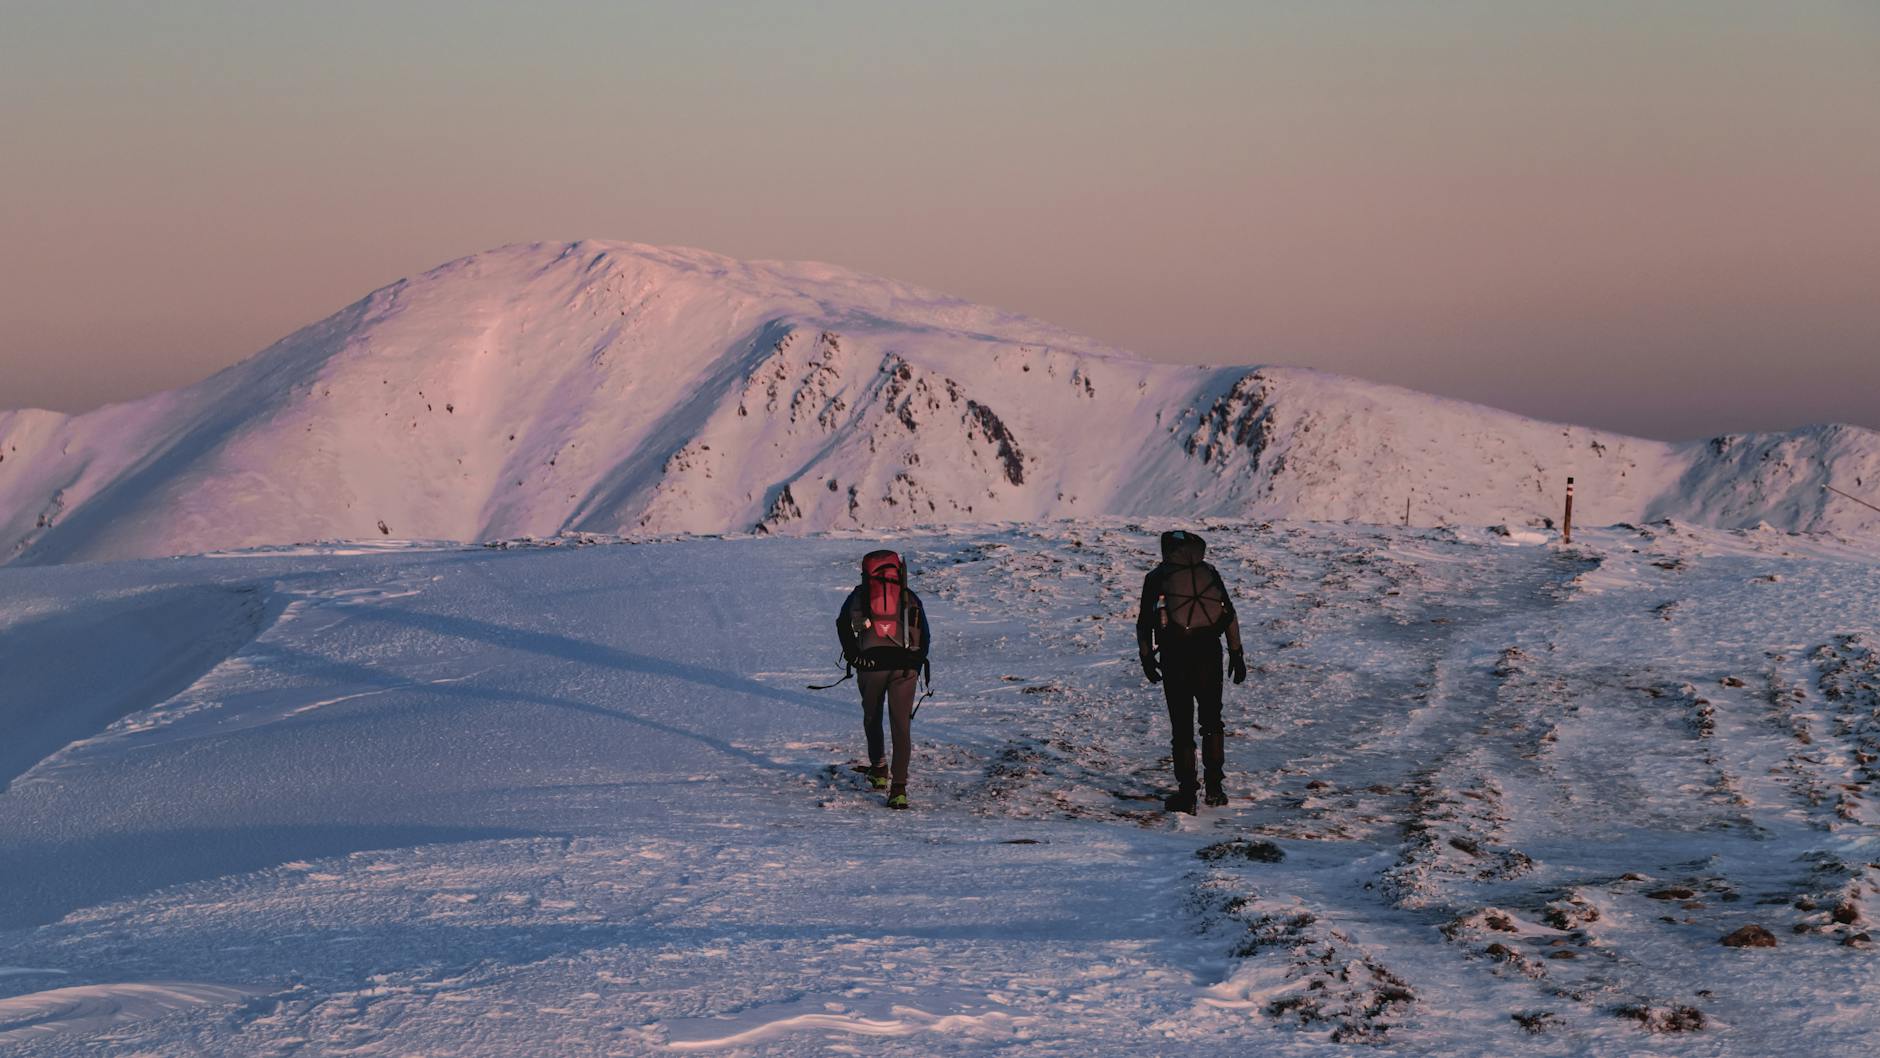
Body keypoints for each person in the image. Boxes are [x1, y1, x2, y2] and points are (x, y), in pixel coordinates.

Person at [1137, 529, 1245, 813]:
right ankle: (1215, 789)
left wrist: (1147, 657)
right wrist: (1236, 652)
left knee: (1182, 726)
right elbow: (1228, 613)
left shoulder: (1156, 577)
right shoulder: (1209, 570)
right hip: (1210, 651)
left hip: (1176, 655)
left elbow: (1144, 622)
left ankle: (1187, 794)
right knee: (1212, 721)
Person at [836, 549, 931, 809]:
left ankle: (878, 770)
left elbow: (842, 625)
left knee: (872, 716)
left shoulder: (858, 596)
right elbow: (925, 634)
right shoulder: (908, 596)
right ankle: (898, 790)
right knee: (901, 727)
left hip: (871, 666)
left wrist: (856, 658)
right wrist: (915, 662)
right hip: (905, 668)